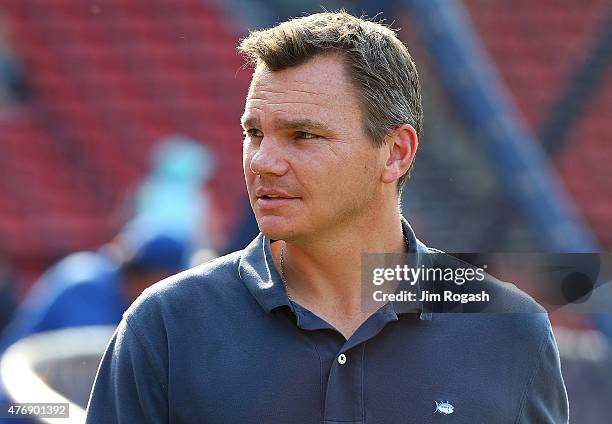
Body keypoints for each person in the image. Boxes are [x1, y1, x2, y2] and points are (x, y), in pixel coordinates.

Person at [85, 11, 569, 423]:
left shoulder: (510, 328)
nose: (262, 162)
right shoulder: (167, 326)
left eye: (303, 136)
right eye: (254, 133)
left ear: (396, 153)